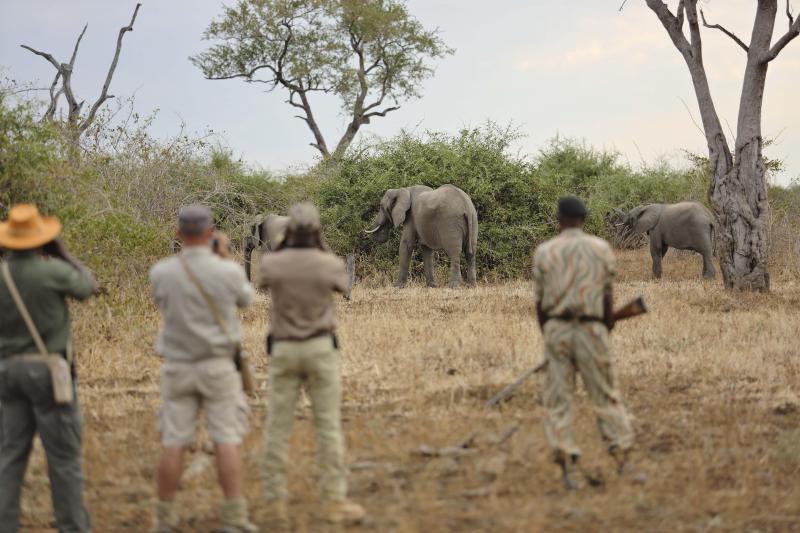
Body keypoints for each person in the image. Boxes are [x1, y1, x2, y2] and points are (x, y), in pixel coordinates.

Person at [257, 202, 365, 529]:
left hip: (284, 349)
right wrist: (322, 249)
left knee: (277, 426)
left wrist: (280, 247)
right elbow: (344, 287)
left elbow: (261, 281)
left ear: (287, 231)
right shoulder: (327, 263)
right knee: (328, 425)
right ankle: (333, 501)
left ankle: (274, 503)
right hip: (320, 348)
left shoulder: (272, 263)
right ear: (316, 231)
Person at [149, 205, 256, 533]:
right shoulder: (228, 271)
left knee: (174, 441)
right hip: (218, 367)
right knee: (226, 439)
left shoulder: (162, 272)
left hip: (178, 367)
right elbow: (247, 300)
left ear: (179, 234)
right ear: (210, 233)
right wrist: (223, 259)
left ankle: (164, 520)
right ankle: (234, 517)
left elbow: (159, 301)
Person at [0, 204, 96, 532]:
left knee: (9, 457)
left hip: (7, 372)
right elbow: (87, 286)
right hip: (48, 373)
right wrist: (64, 254)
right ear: (41, 240)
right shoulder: (52, 272)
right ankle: (72, 526)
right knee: (64, 458)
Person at [531, 196, 635, 489]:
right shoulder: (600, 248)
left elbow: (540, 303)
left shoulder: (544, 251)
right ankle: (623, 461)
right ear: (584, 219)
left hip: (556, 329)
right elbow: (606, 296)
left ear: (559, 219)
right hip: (592, 329)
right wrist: (604, 327)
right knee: (605, 395)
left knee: (559, 400)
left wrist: (549, 335)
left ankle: (566, 467)